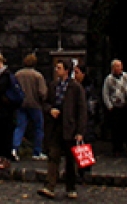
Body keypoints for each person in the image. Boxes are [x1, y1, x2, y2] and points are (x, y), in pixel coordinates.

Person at [38, 59, 87, 201]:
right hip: (56, 125)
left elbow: (82, 110)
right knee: (53, 156)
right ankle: (50, 186)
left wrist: (80, 131)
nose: (56, 70)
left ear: (66, 70)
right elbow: (45, 102)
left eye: (59, 68)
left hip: (70, 127)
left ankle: (71, 187)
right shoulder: (53, 86)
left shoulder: (76, 88)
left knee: (70, 160)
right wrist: (50, 110)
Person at [13, 53, 49, 160]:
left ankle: (14, 148)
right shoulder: (38, 76)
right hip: (35, 104)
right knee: (38, 128)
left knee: (20, 127)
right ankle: (37, 152)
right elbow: (43, 92)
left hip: (21, 104)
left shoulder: (18, 74)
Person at [101, 59, 127, 157]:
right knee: (116, 129)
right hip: (115, 107)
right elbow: (105, 94)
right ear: (113, 68)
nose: (119, 68)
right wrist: (109, 106)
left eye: (120, 66)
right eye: (117, 66)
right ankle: (117, 148)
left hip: (126, 106)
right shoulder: (108, 79)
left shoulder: (126, 76)